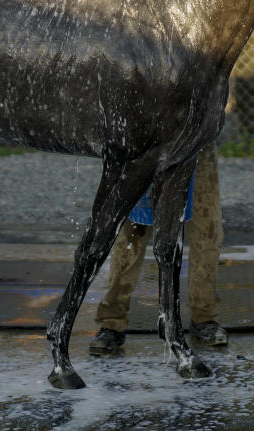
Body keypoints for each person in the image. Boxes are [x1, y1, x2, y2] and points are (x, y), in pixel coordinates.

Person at [89, 143, 228, 355]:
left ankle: (205, 318)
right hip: (144, 143)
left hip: (197, 144)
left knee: (207, 232)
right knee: (130, 237)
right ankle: (111, 322)